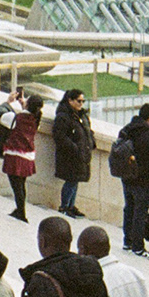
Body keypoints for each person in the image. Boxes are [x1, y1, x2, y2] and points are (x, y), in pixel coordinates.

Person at [115, 102, 149, 257]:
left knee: (129, 209)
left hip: (127, 176)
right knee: (140, 214)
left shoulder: (127, 129)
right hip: (144, 180)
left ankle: (127, 242)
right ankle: (138, 246)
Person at [0, 93, 39, 221]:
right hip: (28, 156)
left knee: (16, 186)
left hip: (14, 156)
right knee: (21, 185)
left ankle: (21, 212)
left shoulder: (14, 117)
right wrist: (25, 107)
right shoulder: (36, 119)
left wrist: (8, 102)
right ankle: (20, 210)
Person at [51, 89, 91, 219]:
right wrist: (74, 148)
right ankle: (64, 206)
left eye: (83, 101)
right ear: (70, 100)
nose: (81, 104)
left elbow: (87, 131)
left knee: (75, 180)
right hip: (69, 155)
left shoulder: (81, 116)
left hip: (80, 154)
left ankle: (71, 206)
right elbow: (59, 136)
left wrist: (91, 143)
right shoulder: (63, 116)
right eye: (79, 101)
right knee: (71, 180)